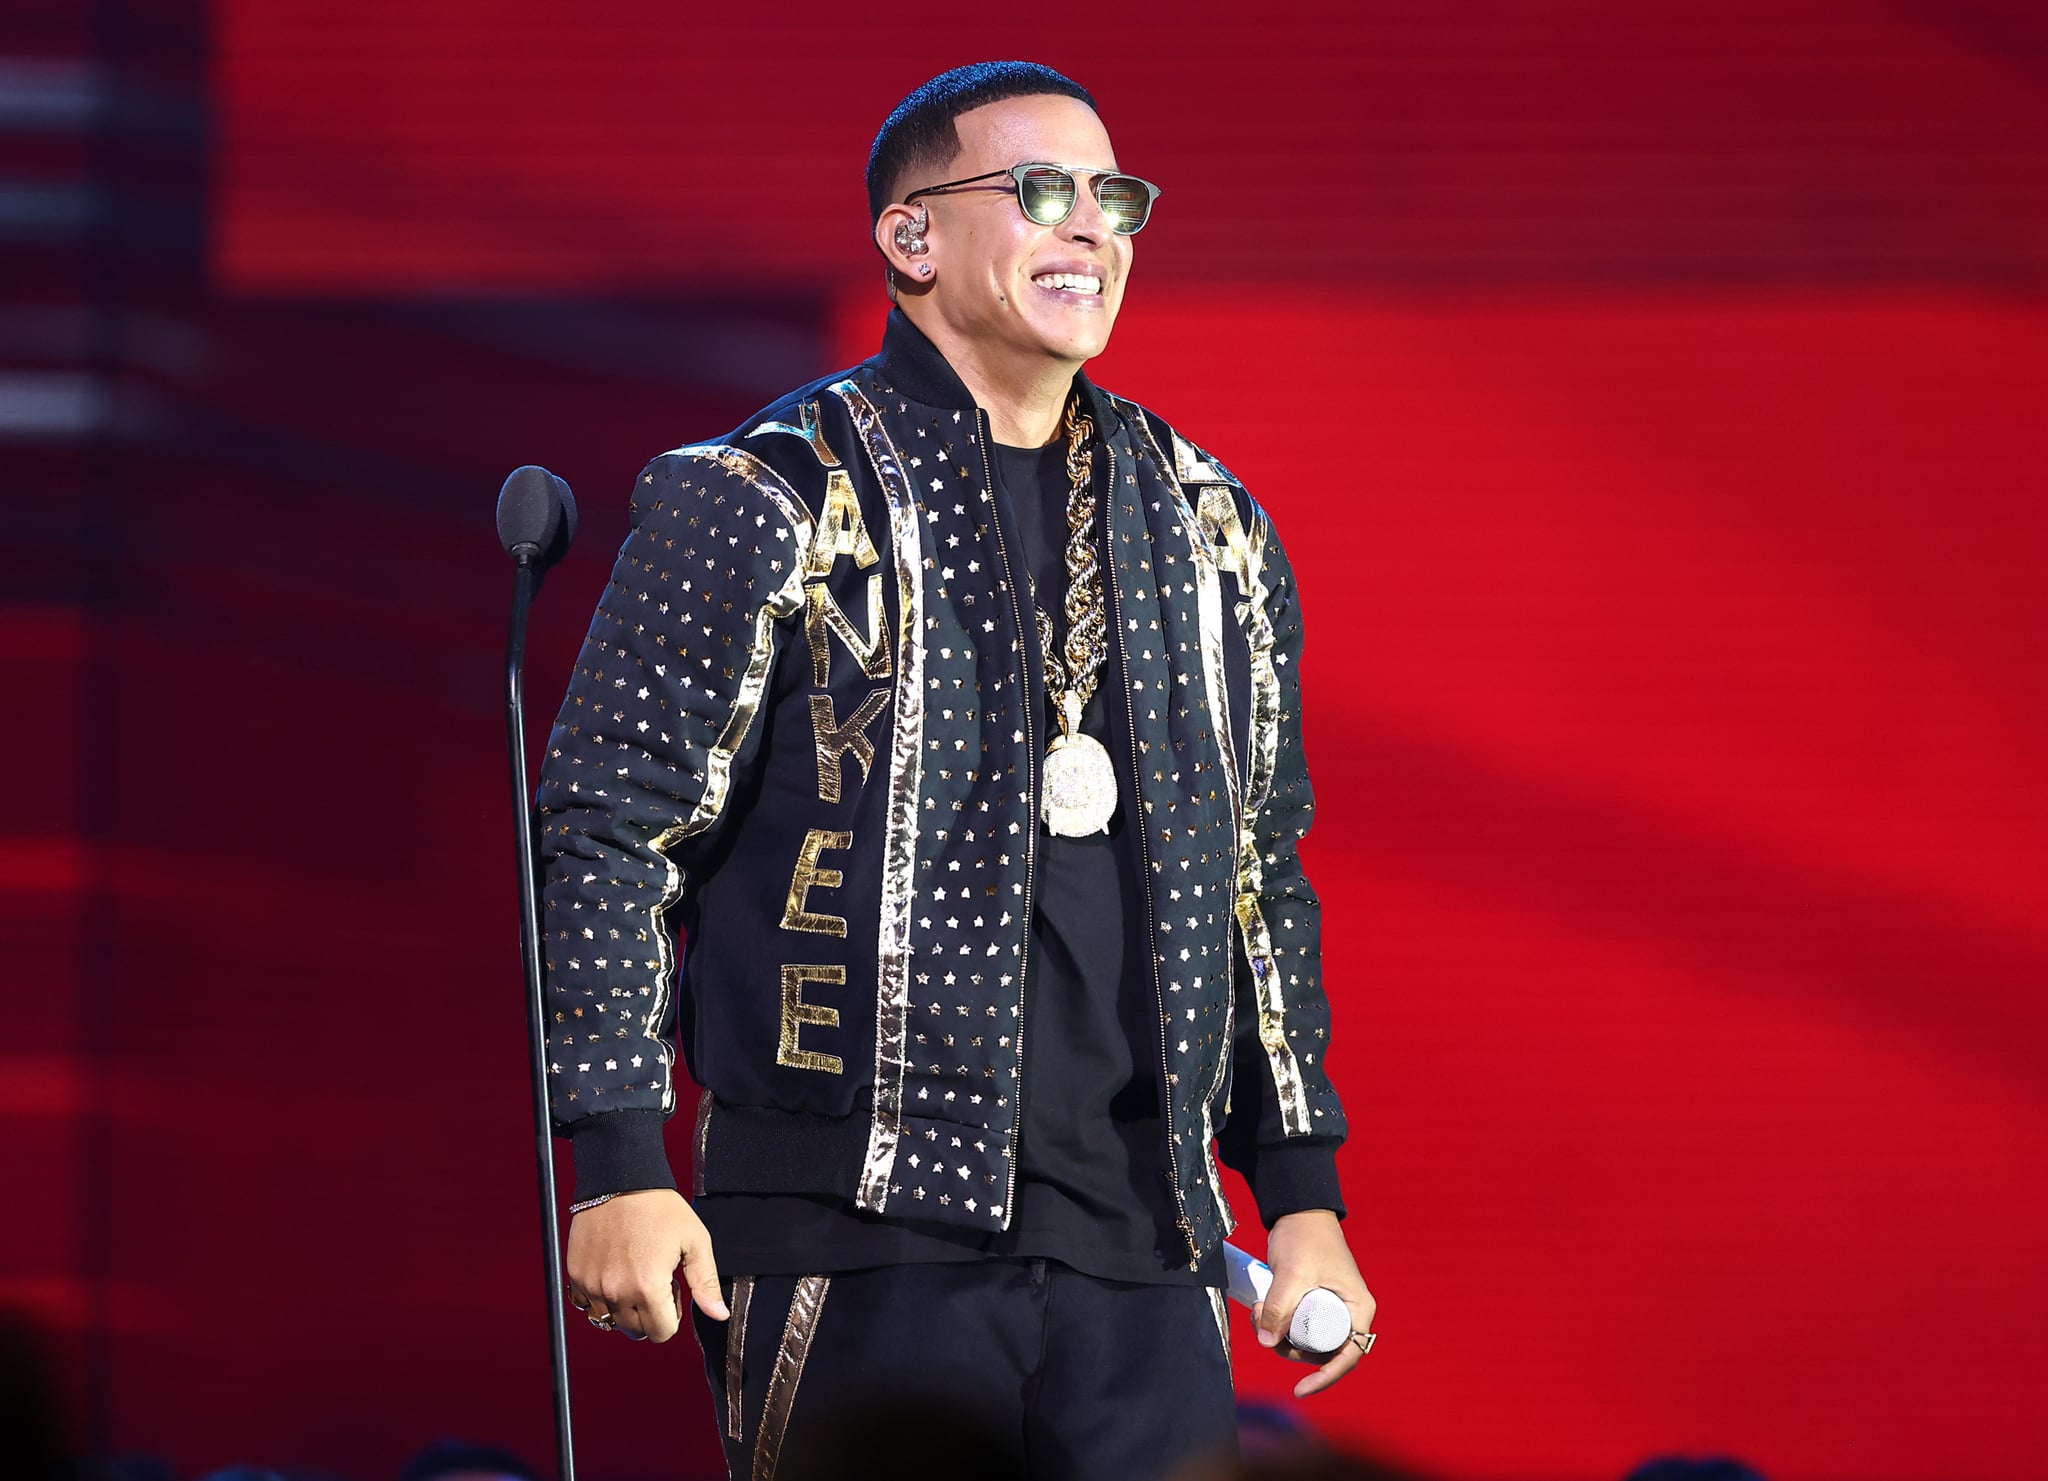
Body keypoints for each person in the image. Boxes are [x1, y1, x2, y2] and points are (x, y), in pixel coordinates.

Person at [536, 60, 1376, 1481]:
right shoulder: (764, 495)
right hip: (854, 1235)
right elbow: (608, 829)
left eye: (1115, 199)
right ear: (911, 238)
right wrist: (618, 1159)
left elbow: (1255, 879)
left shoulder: (1215, 527)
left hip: (1145, 1249)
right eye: (1043, 191)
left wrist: (1299, 1191)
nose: (1091, 230)